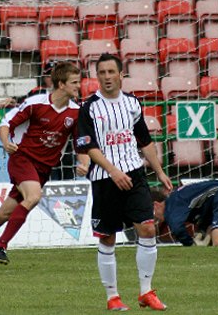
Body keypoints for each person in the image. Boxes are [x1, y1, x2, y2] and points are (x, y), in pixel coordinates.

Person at [0, 62, 89, 272]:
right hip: (23, 159)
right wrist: (5, 142)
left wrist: (83, 162)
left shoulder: (76, 112)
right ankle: (1, 246)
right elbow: (6, 124)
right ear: (61, 84)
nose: (79, 86)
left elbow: (80, 143)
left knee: (4, 213)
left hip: (43, 169)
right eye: (74, 82)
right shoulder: (36, 103)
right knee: (34, 197)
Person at [76, 53, 173, 311]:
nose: (107, 77)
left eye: (111, 72)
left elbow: (144, 141)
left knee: (148, 229)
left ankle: (146, 291)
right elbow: (89, 147)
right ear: (97, 77)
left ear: (121, 75)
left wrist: (160, 171)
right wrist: (113, 171)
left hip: (135, 174)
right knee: (107, 238)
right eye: (102, 73)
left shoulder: (132, 103)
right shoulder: (89, 108)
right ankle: (112, 297)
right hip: (105, 179)